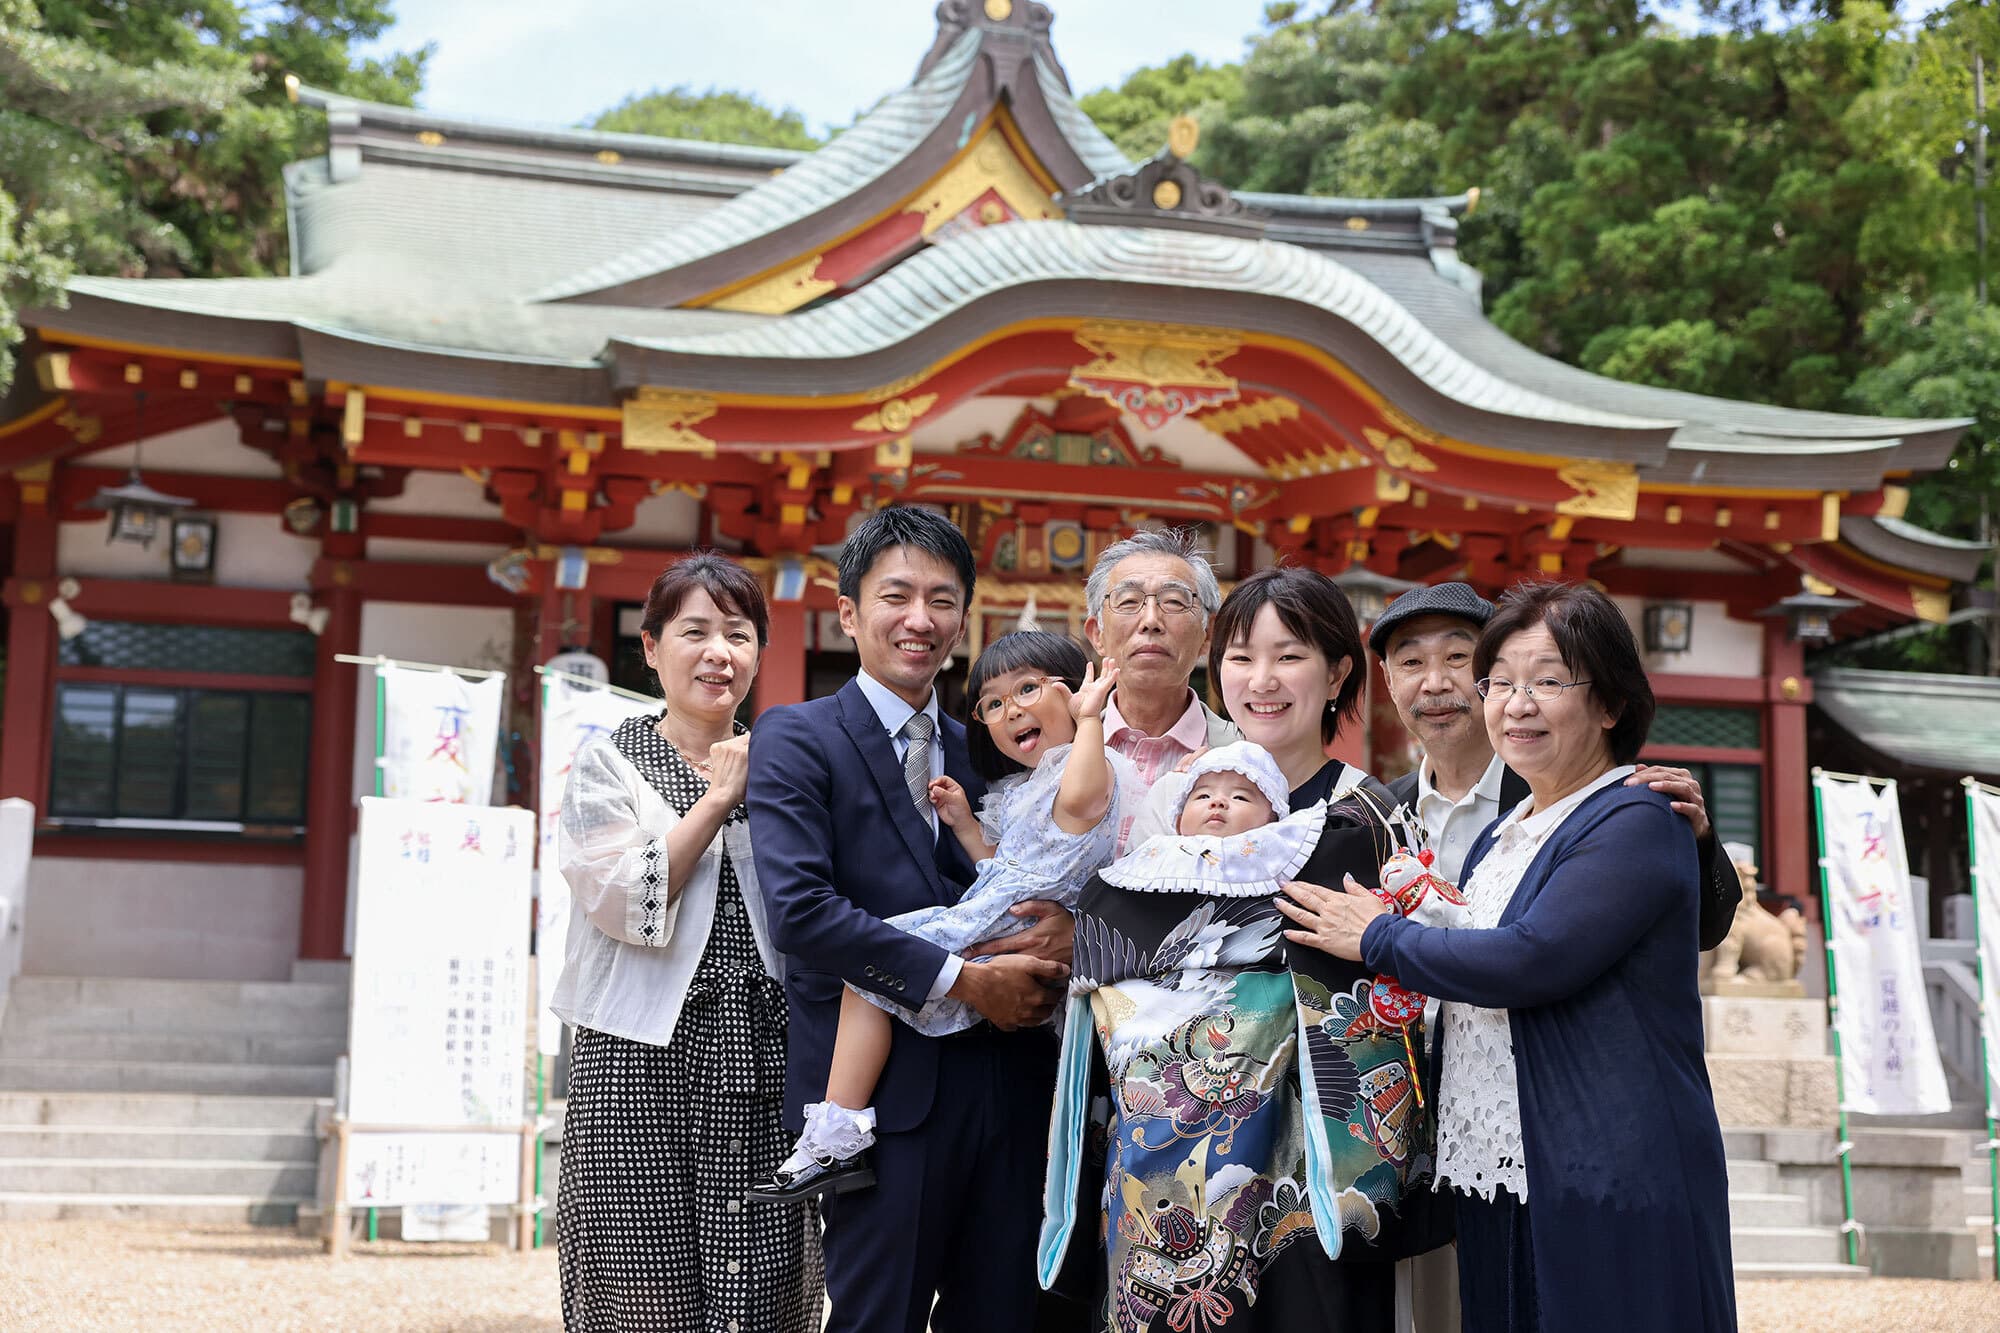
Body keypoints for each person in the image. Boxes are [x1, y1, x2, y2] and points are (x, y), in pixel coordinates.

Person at [1283, 580, 1736, 1333]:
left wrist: (1376, 936)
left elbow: (1532, 957)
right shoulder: (1500, 829)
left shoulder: (1636, 814)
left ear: (1610, 703)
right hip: (1488, 1160)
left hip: (1598, 1159)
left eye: (1548, 680)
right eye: (1503, 683)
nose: (1516, 702)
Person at [748, 507, 1076, 1333]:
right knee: (877, 1317)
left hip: (1012, 1090)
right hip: (883, 1103)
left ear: (964, 618)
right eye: (897, 595)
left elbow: (1048, 861)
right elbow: (802, 912)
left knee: (1004, 1315)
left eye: (942, 599)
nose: (920, 619)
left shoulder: (993, 745)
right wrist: (965, 979)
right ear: (849, 610)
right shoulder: (796, 736)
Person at [1042, 741, 1419, 1329]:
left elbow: (1327, 999)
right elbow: (1102, 1014)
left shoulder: (1300, 873)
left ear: (1275, 816)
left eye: (1241, 795)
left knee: (1277, 1269)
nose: (1219, 804)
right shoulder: (1118, 887)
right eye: (1203, 794)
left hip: (1269, 1130)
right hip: (1145, 1131)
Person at [749, 632, 1128, 1203]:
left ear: (1074, 694)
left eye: (1028, 689)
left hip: (1013, 928)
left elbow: (1079, 800)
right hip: (1002, 909)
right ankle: (836, 1127)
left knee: (877, 956)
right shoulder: (1023, 786)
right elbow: (1003, 867)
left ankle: (836, 1128)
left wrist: (1092, 718)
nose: (1013, 710)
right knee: (875, 968)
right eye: (994, 704)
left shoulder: (1085, 772)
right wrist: (967, 829)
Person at [553, 552, 821, 1332]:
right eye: (695, 631)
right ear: (650, 645)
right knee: (644, 1284)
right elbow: (620, 898)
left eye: (738, 635)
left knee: (768, 1281)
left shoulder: (791, 767)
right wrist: (717, 799)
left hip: (765, 1052)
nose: (719, 653)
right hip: (639, 1060)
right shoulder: (608, 761)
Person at [1368, 581, 1741, 945]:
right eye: (1411, 662)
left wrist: (1700, 842)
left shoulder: (1577, 796)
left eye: (1457, 658)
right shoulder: (1375, 812)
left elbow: (1703, 929)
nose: (1435, 683)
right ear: (1387, 678)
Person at [1082, 528, 1239, 847]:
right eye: (1128, 602)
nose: (1150, 620)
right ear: (1097, 634)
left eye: (1174, 602)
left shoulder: (1242, 754)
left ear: (1207, 636)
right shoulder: (1059, 750)